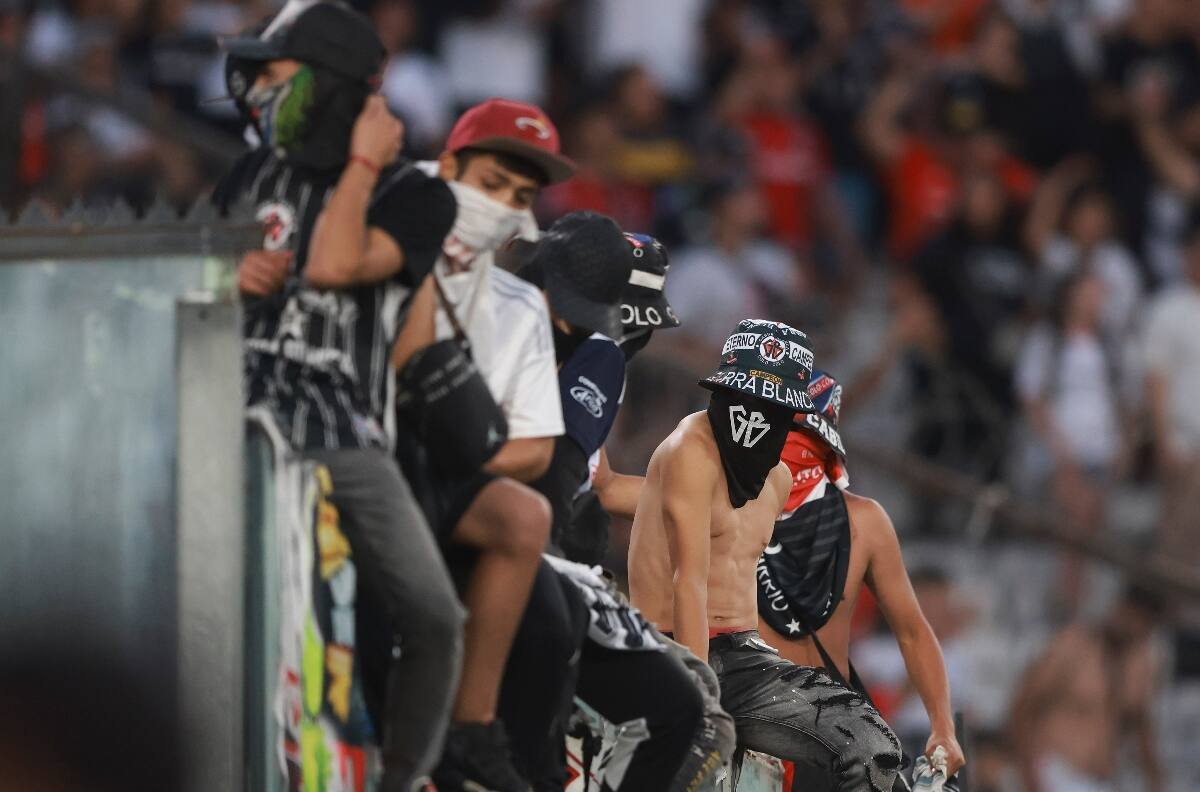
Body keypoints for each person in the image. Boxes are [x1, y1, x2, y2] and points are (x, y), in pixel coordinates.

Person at [214, 5, 464, 789]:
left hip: (337, 423)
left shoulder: (414, 193)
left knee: (434, 617)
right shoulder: (247, 175)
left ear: (327, 86)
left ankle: (401, 779)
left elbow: (332, 263)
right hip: (224, 403)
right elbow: (178, 292)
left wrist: (359, 165)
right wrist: (220, 277)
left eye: (275, 76)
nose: (255, 91)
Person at [628, 319, 904, 791]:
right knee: (693, 758)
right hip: (668, 646)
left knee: (872, 745)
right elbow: (688, 582)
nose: (752, 415)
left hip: (744, 658)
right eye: (744, 397)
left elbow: (739, 562)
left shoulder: (775, 482)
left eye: (770, 406)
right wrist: (701, 706)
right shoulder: (687, 452)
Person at [514, 212, 734, 792]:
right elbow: (559, 481)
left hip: (527, 555)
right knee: (695, 721)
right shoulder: (601, 354)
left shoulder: (537, 339)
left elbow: (603, 485)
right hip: (543, 567)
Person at [393, 96, 576, 792]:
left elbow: (533, 448)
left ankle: (474, 726)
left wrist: (458, 459)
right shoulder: (393, 231)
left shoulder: (519, 302)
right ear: (447, 166)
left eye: (520, 196)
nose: (501, 205)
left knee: (527, 524)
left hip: (451, 473)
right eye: (491, 183)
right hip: (369, 449)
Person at [754, 370, 966, 787]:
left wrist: (943, 726)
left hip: (827, 732)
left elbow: (912, 631)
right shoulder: (723, 501)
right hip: (749, 719)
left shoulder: (864, 522)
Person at [1008, 584, 1167, 792]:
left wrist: (1154, 779)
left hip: (1102, 779)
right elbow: (1024, 706)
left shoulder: (1140, 663)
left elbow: (1140, 723)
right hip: (1054, 771)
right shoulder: (1073, 645)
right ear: (1121, 609)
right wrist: (1029, 775)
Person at [1143, 210, 1200, 572]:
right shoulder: (1168, 308)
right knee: (1178, 533)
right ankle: (1166, 615)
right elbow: (1156, 376)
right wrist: (1164, 437)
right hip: (1183, 440)